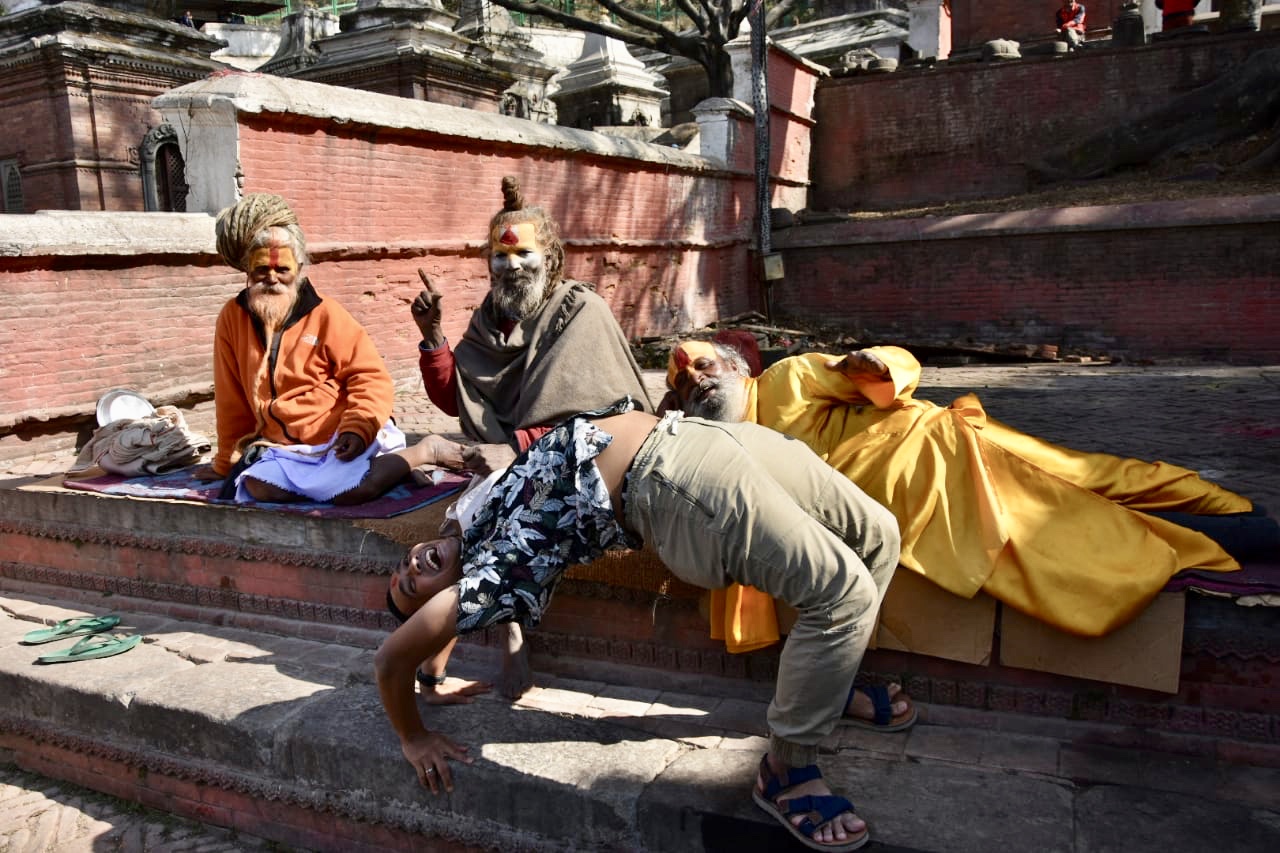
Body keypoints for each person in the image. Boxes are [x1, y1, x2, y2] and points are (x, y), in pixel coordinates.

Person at [376, 398, 906, 851]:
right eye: (410, 586)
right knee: (843, 592)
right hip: (673, 483)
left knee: (878, 534)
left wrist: (432, 678)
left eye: (402, 566)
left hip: (695, 432)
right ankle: (786, 771)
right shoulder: (492, 577)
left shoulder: (471, 520)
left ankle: (825, 689)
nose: (411, 566)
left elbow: (432, 640)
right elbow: (392, 658)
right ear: (439, 602)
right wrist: (413, 737)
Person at [664, 340, 1276, 645]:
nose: (696, 379)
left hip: (958, 458)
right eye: (685, 381)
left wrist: (871, 365)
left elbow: (885, 369)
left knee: (1097, 483)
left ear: (738, 368)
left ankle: (1243, 523)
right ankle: (1231, 536)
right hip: (923, 522)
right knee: (1079, 539)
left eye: (703, 366)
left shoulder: (787, 378)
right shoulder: (719, 445)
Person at [410, 175, 654, 698]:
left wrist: (519, 447)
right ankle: (452, 651)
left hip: (586, 455)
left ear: (551, 257)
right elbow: (460, 398)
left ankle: (500, 636)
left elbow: (606, 414)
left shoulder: (580, 311)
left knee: (507, 511)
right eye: (501, 257)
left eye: (524, 254)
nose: (512, 266)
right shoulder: (489, 319)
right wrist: (433, 337)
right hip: (510, 458)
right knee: (467, 521)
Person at [193, 193, 458, 505]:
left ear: (299, 269)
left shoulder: (327, 314)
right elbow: (231, 400)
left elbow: (370, 378)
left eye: (282, 270)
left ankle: (425, 451)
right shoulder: (232, 317)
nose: (272, 279)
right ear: (247, 270)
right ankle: (384, 471)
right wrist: (225, 463)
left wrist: (357, 429)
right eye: (262, 269)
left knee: (353, 492)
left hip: (340, 434)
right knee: (258, 487)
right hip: (283, 447)